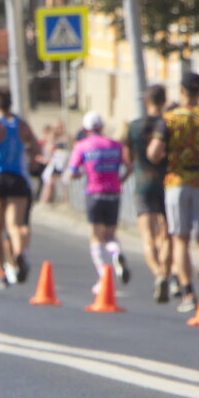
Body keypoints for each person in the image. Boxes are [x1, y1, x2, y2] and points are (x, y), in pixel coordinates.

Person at [147, 72, 199, 312]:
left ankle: (187, 293)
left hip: (177, 181)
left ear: (181, 91)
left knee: (180, 238)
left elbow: (154, 152)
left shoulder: (170, 119)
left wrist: (169, 156)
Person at [0, 88, 40, 287]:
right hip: (17, 178)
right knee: (15, 225)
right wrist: (24, 151)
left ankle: (2, 270)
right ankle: (20, 253)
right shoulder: (21, 126)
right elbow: (36, 147)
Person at [66, 111, 132, 289]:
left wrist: (80, 174)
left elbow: (72, 172)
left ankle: (104, 276)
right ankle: (116, 252)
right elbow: (130, 166)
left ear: (86, 128)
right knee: (110, 235)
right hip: (114, 193)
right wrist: (121, 180)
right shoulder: (115, 145)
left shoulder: (82, 146)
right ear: (102, 127)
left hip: (94, 193)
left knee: (95, 236)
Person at [121, 84, 172, 301]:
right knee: (167, 234)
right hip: (167, 182)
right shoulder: (168, 125)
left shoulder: (133, 127)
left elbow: (127, 158)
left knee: (147, 235)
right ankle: (167, 273)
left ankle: (158, 274)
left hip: (143, 183)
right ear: (164, 101)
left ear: (146, 101)